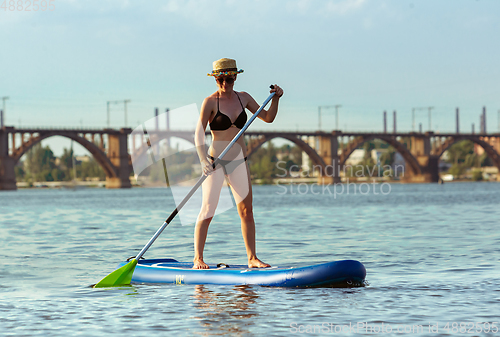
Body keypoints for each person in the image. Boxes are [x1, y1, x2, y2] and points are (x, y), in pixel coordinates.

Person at [193, 58, 283, 269]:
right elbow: (198, 133)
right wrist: (202, 159)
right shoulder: (210, 102)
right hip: (216, 162)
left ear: (235, 77)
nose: (225, 84)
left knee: (246, 211)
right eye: (221, 80)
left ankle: (252, 258)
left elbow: (268, 118)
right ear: (215, 79)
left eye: (230, 79)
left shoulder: (244, 98)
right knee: (208, 210)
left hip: (239, 162)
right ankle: (198, 258)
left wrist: (276, 98)